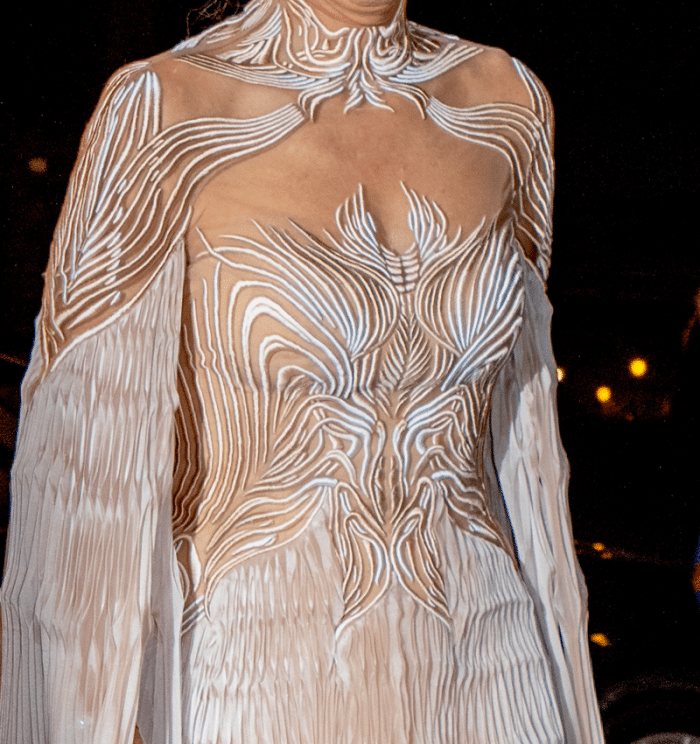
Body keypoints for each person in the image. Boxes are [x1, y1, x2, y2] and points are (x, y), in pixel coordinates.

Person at [0, 0, 605, 741]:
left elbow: (520, 432)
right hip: (260, 681)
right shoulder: (165, 106)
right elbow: (80, 489)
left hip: (493, 673)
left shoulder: (508, 99)